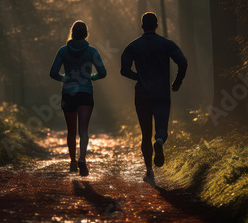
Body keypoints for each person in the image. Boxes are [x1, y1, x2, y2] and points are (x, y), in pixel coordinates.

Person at [120, 12, 187, 182]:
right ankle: (159, 141)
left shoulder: (133, 46)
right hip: (162, 93)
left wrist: (139, 77)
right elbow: (183, 62)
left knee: (145, 133)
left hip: (142, 94)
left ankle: (149, 171)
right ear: (157, 26)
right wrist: (177, 83)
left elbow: (124, 70)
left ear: (141, 26)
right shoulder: (166, 44)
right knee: (162, 128)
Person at [50, 20, 107, 176]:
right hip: (85, 93)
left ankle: (73, 162)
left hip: (68, 94)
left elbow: (53, 73)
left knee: (71, 131)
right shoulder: (92, 51)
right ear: (86, 34)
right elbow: (103, 73)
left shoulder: (62, 51)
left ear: (72, 33)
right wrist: (91, 77)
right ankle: (82, 158)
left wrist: (66, 79)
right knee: (83, 130)